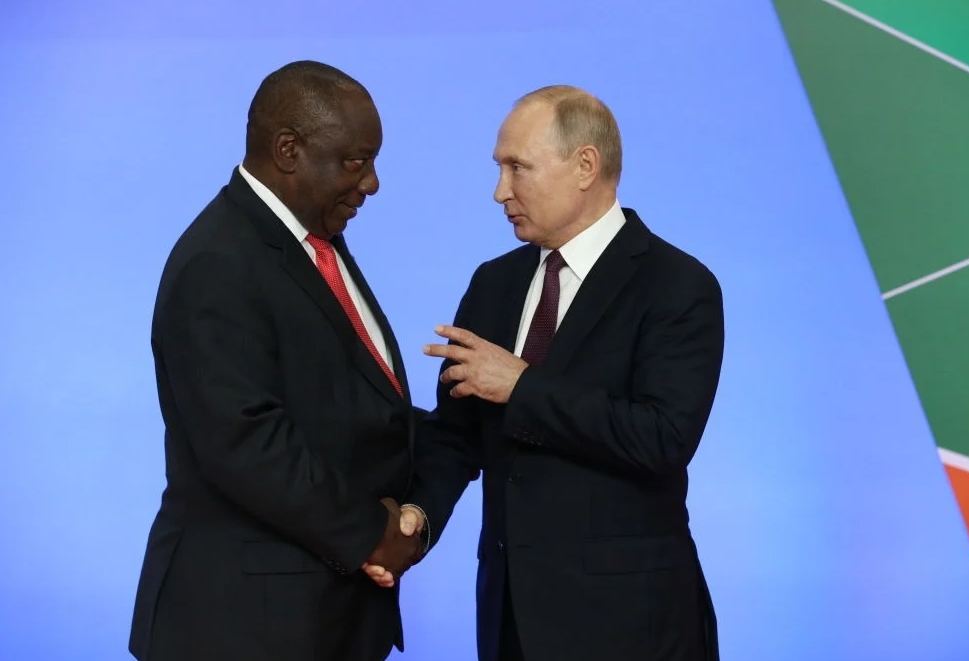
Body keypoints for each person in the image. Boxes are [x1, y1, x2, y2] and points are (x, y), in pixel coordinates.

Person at [368, 85, 725, 660]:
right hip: (511, 623)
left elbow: (662, 438)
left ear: (585, 165)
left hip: (632, 627)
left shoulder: (677, 285)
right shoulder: (493, 283)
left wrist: (521, 387)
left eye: (518, 167)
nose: (500, 191)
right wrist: (417, 516)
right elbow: (456, 436)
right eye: (499, 168)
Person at [128, 60, 424, 661]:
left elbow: (350, 407)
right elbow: (245, 442)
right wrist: (373, 534)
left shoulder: (313, 241)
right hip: (242, 626)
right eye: (356, 161)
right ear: (288, 150)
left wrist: (421, 502)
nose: (371, 183)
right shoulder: (218, 261)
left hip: (322, 618)